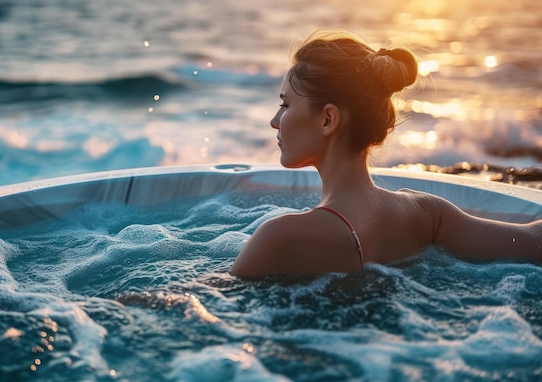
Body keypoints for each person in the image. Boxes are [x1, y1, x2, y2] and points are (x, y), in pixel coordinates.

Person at [230, 29, 542, 278]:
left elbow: (204, 311)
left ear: (328, 119)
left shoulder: (280, 237)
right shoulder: (426, 215)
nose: (274, 121)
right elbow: (533, 242)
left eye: (285, 105)